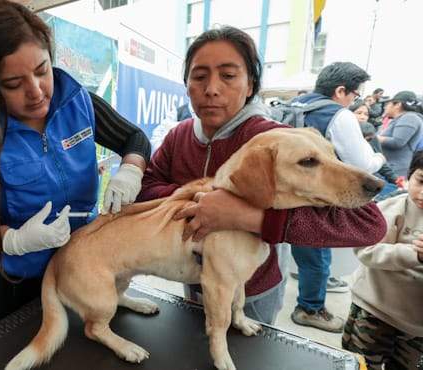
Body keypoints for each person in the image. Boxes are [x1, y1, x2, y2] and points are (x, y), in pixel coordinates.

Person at [138, 26, 386, 325]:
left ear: (250, 84)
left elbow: (368, 225)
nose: (212, 88)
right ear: (187, 83)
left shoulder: (274, 139)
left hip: (253, 292)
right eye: (199, 76)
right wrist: (198, 202)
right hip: (193, 282)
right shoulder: (180, 136)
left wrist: (247, 217)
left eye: (228, 76)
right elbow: (147, 186)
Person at [0, 0, 150, 323]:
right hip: (18, 284)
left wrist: (130, 171)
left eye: (42, 71)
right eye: (13, 84)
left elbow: (134, 138)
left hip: (86, 263)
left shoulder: (75, 100)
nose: (36, 91)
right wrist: (13, 240)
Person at [284, 62, 386, 332]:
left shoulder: (295, 104)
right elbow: (362, 164)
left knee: (302, 248)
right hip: (320, 198)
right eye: (354, 95)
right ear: (341, 90)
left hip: (288, 193)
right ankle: (310, 308)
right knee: (319, 253)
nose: (354, 101)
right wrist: (379, 156)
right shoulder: (338, 115)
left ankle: (309, 282)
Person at [342, 151, 423, 370]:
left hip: (416, 328)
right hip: (375, 311)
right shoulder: (392, 209)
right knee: (360, 365)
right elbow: (366, 249)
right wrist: (413, 255)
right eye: (421, 181)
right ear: (409, 176)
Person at [349, 102, 399, 186]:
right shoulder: (339, 131)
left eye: (366, 114)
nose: (363, 117)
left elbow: (378, 156)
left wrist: (396, 180)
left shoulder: (369, 133)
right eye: (358, 113)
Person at [377, 90, 423, 177]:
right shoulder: (403, 118)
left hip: (395, 170)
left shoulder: (409, 117)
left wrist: (375, 138)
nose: (385, 107)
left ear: (398, 104)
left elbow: (397, 142)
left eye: (388, 104)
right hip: (390, 168)